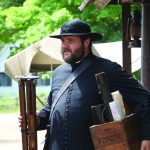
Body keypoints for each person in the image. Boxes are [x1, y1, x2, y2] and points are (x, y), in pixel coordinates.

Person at [19, 18, 150, 150]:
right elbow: (52, 108)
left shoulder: (109, 69)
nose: (64, 46)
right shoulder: (58, 72)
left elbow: (143, 99)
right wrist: (37, 119)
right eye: (62, 41)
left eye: (70, 40)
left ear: (86, 42)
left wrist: (147, 136)